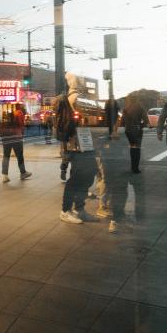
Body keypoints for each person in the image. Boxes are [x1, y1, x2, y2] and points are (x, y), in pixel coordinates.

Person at [57, 74, 99, 224]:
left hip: (82, 143)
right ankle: (65, 210)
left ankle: (79, 209)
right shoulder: (76, 98)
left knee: (85, 176)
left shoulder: (78, 97)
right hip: (78, 144)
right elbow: (94, 116)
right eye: (81, 81)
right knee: (77, 179)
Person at [0, 103, 32, 183]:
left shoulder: (10, 115)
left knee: (6, 156)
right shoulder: (19, 113)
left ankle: (4, 176)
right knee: (19, 156)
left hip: (6, 137)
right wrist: (22, 134)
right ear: (20, 107)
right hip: (16, 137)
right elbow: (21, 125)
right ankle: (23, 172)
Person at [119, 93, 150, 174]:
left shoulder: (126, 108)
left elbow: (122, 122)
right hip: (137, 130)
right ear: (137, 99)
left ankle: (133, 167)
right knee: (137, 149)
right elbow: (146, 120)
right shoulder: (140, 107)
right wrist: (142, 125)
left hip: (128, 131)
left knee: (132, 148)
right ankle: (135, 168)